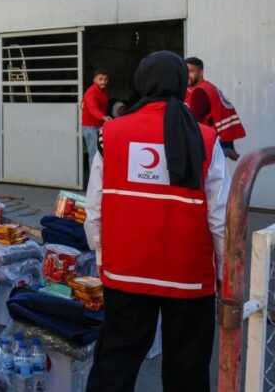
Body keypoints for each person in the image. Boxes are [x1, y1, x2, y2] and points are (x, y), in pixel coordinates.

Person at [84, 51, 228, 391]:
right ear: (181, 84)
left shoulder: (112, 134)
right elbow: (219, 218)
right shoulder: (206, 137)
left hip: (126, 269)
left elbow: (94, 209)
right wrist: (222, 272)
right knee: (187, 367)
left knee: (116, 360)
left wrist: (104, 258)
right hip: (189, 275)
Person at [185, 56, 246, 161]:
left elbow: (191, 123)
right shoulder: (209, 87)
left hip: (211, 145)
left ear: (200, 73)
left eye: (191, 71)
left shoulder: (200, 92)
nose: (187, 75)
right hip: (222, 141)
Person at [81, 68, 110, 170]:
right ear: (94, 80)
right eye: (100, 79)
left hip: (100, 126)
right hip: (90, 128)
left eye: (105, 79)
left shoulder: (104, 91)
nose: (103, 82)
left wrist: (105, 118)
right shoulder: (91, 93)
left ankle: (99, 179)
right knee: (94, 155)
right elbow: (93, 109)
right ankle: (93, 183)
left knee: (101, 154)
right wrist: (104, 118)